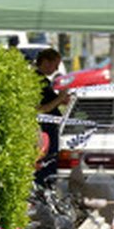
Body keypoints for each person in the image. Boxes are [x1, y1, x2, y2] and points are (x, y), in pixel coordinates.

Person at [35, 48, 70, 185]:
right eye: (55, 65)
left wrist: (61, 99)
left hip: (51, 127)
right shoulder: (38, 81)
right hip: (45, 129)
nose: (56, 69)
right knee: (48, 161)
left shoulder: (43, 81)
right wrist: (60, 98)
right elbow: (41, 109)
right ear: (45, 62)